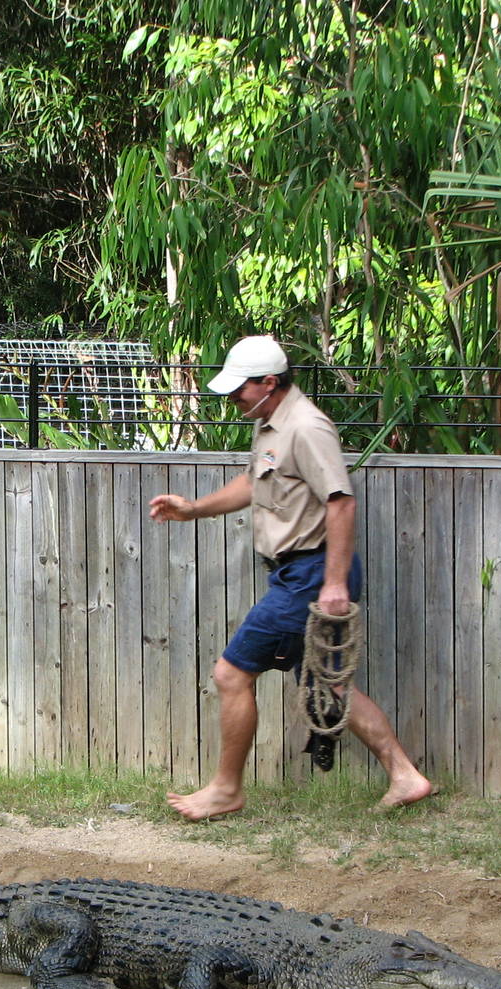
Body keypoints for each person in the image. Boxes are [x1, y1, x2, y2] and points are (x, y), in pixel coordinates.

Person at [148, 335, 432, 819]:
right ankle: (406, 776)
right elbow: (250, 483)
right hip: (295, 575)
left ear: (269, 383)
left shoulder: (306, 427)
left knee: (231, 673)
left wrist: (335, 583)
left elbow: (340, 501)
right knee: (329, 685)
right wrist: (193, 509)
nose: (233, 398)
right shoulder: (271, 424)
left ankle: (226, 791)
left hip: (311, 575)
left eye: (240, 389)